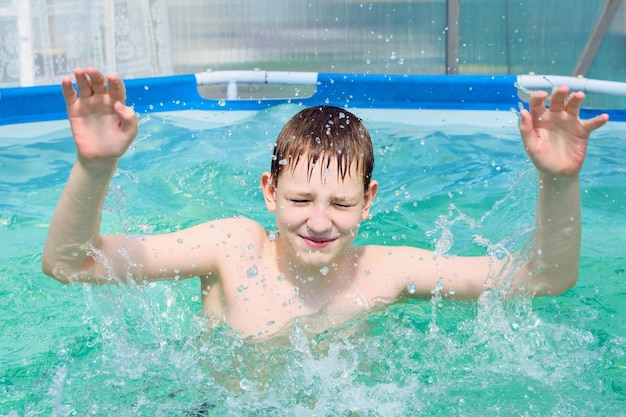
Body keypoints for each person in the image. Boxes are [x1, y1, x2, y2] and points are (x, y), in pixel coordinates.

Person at [42, 67, 609, 338]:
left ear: (369, 201)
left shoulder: (386, 271)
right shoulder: (228, 248)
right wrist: (95, 167)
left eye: (340, 204)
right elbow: (69, 265)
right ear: (270, 193)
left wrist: (557, 182)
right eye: (300, 199)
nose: (318, 221)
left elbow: (543, 279)